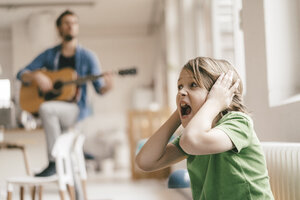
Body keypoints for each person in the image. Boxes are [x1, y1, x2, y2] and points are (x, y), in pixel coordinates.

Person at [136, 57, 274, 200]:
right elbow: (145, 161)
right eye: (180, 87)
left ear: (219, 93)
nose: (181, 92)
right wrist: (179, 111)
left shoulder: (238, 122)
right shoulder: (193, 138)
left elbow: (192, 140)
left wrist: (214, 102)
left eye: (193, 85)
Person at [16, 10, 113, 177]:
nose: (71, 26)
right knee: (68, 157)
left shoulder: (88, 57)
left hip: (76, 110)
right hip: (56, 112)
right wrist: (37, 75)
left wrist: (108, 86)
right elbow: (21, 73)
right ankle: (61, 168)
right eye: (66, 23)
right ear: (59, 28)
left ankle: (54, 162)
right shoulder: (50, 54)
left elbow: (100, 89)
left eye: (74, 23)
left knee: (47, 109)